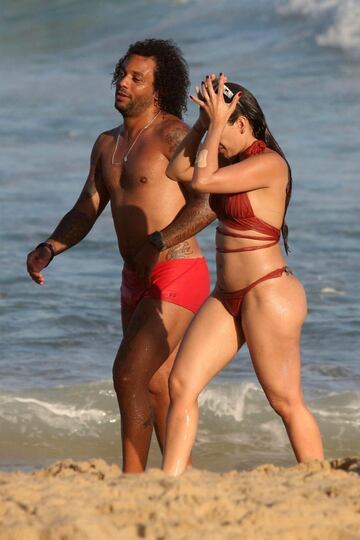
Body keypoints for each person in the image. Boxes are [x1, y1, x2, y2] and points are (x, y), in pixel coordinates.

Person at [26, 39, 216, 473]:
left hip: (177, 270)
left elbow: (207, 203)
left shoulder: (173, 135)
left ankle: (132, 481)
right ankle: (177, 481)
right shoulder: (106, 144)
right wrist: (50, 246)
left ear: (159, 88)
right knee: (156, 386)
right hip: (134, 278)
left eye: (136, 78)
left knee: (128, 373)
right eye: (122, 75)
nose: (123, 83)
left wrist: (160, 240)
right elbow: (87, 206)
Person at [162, 74, 324, 475]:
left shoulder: (269, 163)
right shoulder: (230, 159)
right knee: (181, 385)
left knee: (285, 401)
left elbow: (202, 180)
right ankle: (169, 485)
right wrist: (203, 124)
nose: (215, 140)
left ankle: (324, 482)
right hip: (227, 295)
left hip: (267, 293)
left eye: (222, 123)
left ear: (241, 123)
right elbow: (176, 171)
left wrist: (214, 124)